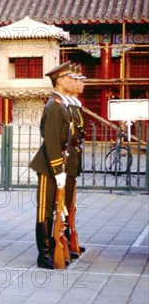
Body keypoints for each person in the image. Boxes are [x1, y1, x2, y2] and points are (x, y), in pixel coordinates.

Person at [29, 61, 78, 269]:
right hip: (49, 165)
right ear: (59, 81)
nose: (72, 81)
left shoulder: (62, 104)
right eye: (68, 78)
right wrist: (58, 170)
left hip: (61, 163)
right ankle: (44, 253)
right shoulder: (54, 106)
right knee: (45, 209)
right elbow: (50, 140)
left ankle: (57, 245)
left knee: (60, 208)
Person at [64, 64, 87, 258]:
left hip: (72, 158)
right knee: (60, 204)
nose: (79, 83)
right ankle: (56, 242)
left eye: (79, 80)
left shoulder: (73, 105)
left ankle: (67, 237)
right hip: (63, 161)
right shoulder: (59, 106)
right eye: (75, 79)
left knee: (69, 202)